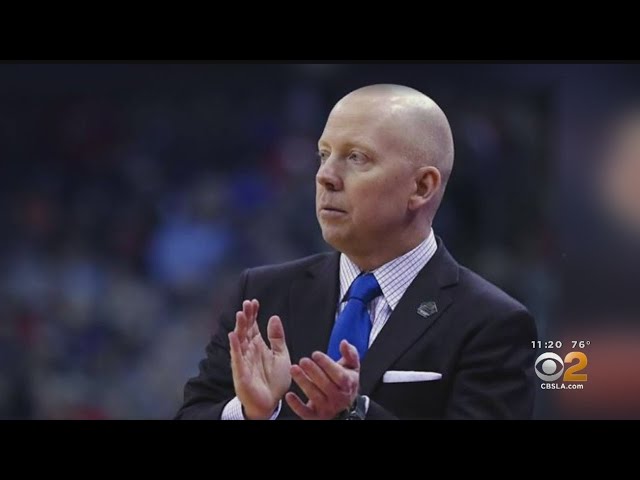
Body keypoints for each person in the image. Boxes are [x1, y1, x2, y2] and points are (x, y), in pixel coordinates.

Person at [175, 84, 538, 420]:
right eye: (324, 154)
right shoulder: (261, 294)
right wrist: (250, 412)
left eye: (356, 157)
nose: (325, 176)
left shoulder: (491, 323)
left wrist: (356, 413)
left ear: (421, 187)